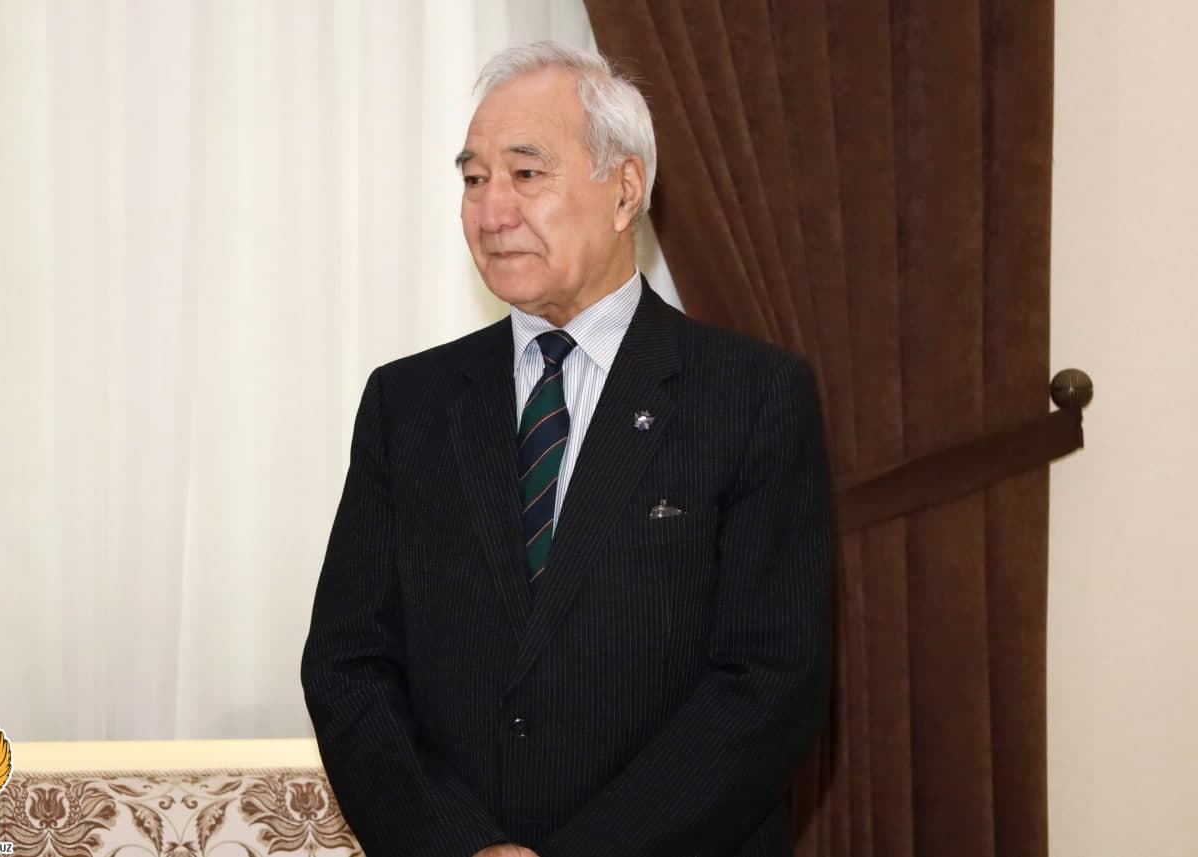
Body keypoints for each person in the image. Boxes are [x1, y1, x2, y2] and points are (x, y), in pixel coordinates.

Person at [301, 41, 834, 857]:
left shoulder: (750, 396)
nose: (491, 211)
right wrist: (459, 844)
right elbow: (348, 665)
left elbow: (770, 682)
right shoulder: (407, 404)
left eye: (526, 173)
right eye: (473, 179)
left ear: (625, 190)